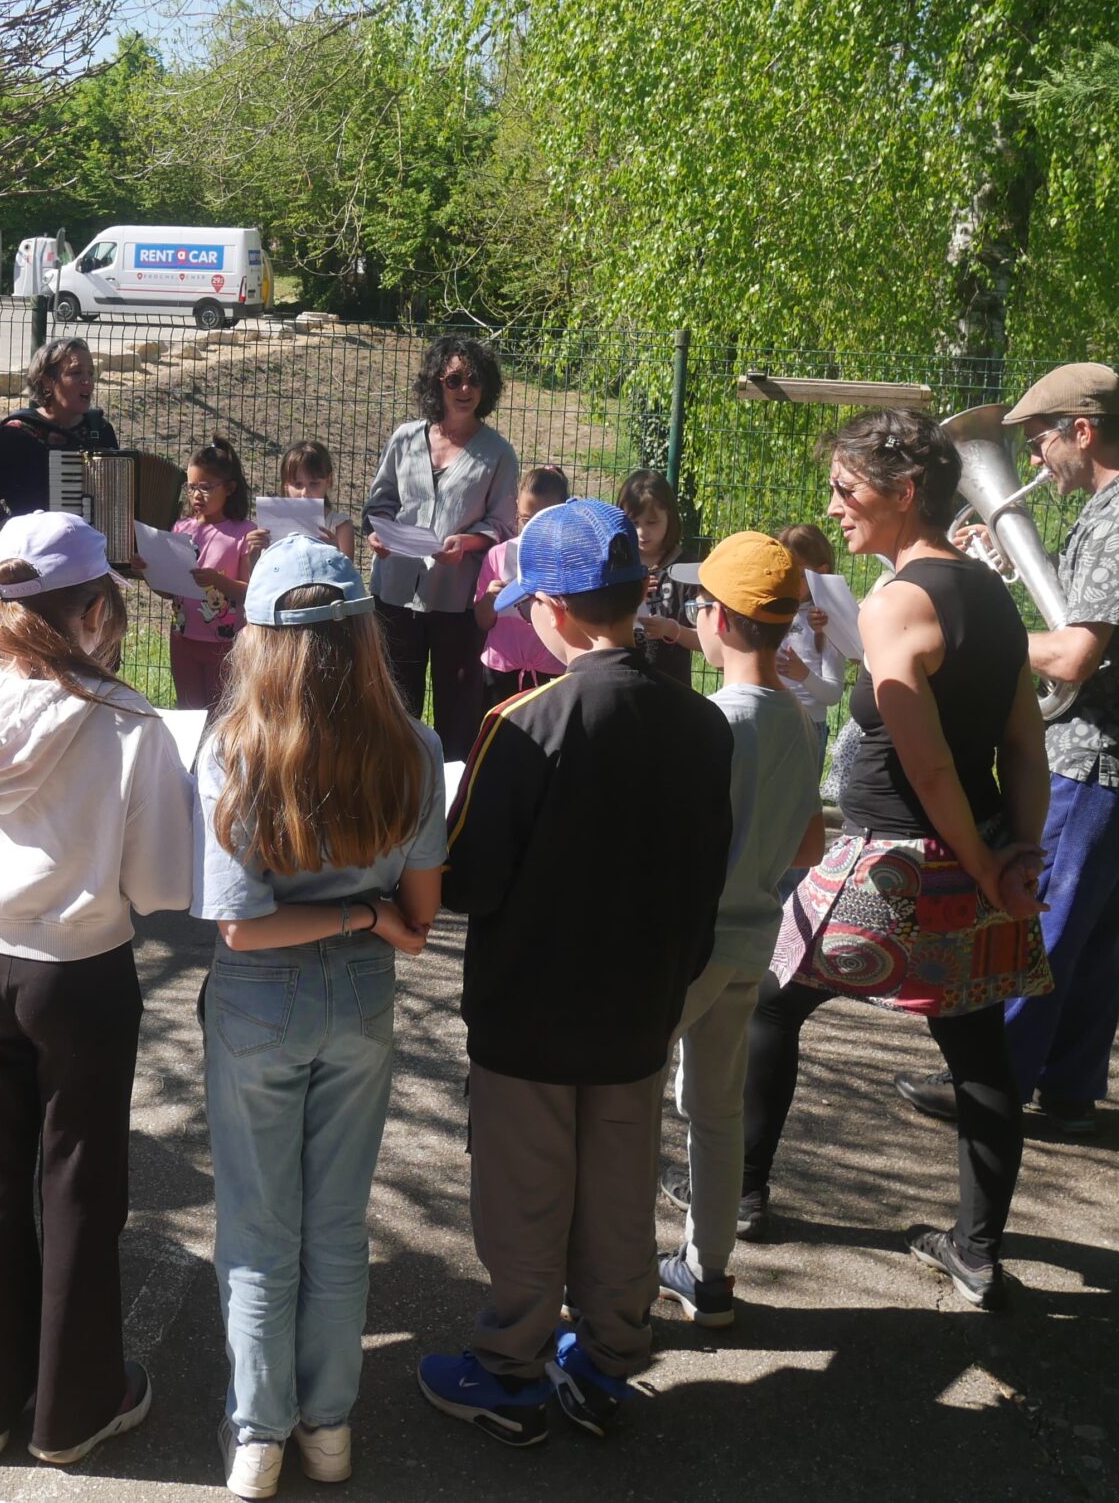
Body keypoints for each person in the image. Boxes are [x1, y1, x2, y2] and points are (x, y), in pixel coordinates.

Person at [420, 499, 732, 1447]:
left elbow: (470, 879)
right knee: (618, 1195)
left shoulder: (525, 722)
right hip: (640, 1012)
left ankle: (512, 1368)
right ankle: (607, 1358)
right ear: (639, 596)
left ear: (551, 609)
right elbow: (704, 873)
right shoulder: (701, 724)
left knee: (525, 1196)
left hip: (530, 1012)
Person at [742, 410, 1051, 1311]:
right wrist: (1014, 854)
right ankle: (977, 1250)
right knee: (978, 1048)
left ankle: (744, 1192)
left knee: (770, 1003)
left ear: (904, 492)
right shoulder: (994, 595)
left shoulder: (895, 601)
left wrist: (982, 865)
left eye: (847, 490)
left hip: (897, 864)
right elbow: (1024, 746)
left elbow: (927, 763)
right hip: (980, 850)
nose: (833, 508)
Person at [0, 512, 193, 1466]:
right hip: (81, 974)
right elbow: (161, 885)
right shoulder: (126, 722)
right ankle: (74, 1410)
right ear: (95, 607)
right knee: (79, 1188)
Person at [192, 537, 445, 1499]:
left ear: (259, 640)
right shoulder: (414, 749)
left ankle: (259, 1438)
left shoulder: (234, 749)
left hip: (261, 1003)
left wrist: (346, 915)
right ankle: (328, 1428)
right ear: (363, 634)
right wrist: (365, 914)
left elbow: (239, 928)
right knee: (335, 1223)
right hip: (361, 996)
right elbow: (417, 922)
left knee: (259, 1226)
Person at [896, 364, 1119, 1134]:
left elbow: (1071, 657)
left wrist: (985, 630)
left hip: (1098, 757)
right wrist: (985, 570)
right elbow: (1070, 612)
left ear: (1084, 432)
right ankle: (1068, 1092)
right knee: (1095, 932)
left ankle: (990, 1083)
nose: (1033, 460)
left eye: (1040, 442)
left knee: (1043, 924)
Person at [652, 534, 825, 1331]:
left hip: (685, 948)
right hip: (753, 945)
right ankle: (708, 1273)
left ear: (716, 619)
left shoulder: (709, 723)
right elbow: (809, 845)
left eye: (697, 604)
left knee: (628, 1102)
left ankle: (616, 1272)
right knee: (717, 1112)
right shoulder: (801, 720)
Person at [364, 337, 521, 759]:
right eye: (454, 379)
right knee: (396, 708)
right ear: (438, 383)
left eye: (474, 380)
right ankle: (398, 804)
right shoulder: (405, 438)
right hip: (395, 593)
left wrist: (467, 542)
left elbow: (504, 525)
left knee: (457, 715)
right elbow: (380, 503)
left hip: (458, 601)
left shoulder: (499, 454)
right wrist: (377, 535)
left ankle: (452, 810)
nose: (465, 389)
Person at [0, 336, 119, 528]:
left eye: (90, 374)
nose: (87, 382)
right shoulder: (17, 434)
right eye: (76, 373)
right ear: (47, 382)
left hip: (93, 551)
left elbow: (117, 499)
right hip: (32, 551)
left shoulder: (100, 431)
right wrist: (15, 538)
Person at [163, 435, 256, 710]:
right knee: (188, 711)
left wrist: (218, 582)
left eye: (205, 487)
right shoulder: (181, 528)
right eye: (191, 488)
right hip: (182, 638)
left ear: (229, 488)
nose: (196, 496)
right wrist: (149, 571)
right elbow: (169, 590)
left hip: (225, 644)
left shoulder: (244, 532)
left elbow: (249, 592)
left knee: (221, 715)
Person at [474, 465, 570, 698]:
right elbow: (482, 622)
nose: (533, 529)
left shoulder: (569, 559)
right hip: (500, 669)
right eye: (526, 519)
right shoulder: (497, 555)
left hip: (553, 670)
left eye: (543, 520)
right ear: (516, 508)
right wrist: (489, 599)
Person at [621, 468, 699, 686]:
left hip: (674, 693)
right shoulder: (616, 564)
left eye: (652, 522)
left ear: (670, 518)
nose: (641, 532)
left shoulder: (688, 569)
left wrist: (672, 630)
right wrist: (629, 600)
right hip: (623, 686)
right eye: (634, 522)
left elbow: (709, 641)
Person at [773, 522, 848, 726]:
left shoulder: (827, 619)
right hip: (770, 720)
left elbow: (833, 695)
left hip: (809, 725)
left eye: (798, 576)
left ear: (821, 572)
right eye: (783, 574)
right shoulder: (771, 610)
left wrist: (803, 674)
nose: (789, 583)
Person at [258, 440, 362, 561]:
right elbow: (262, 575)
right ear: (286, 484)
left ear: (329, 481)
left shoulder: (339, 526)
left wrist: (335, 553)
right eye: (297, 484)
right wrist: (252, 553)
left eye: (314, 483)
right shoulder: (273, 523)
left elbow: (347, 576)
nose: (305, 492)